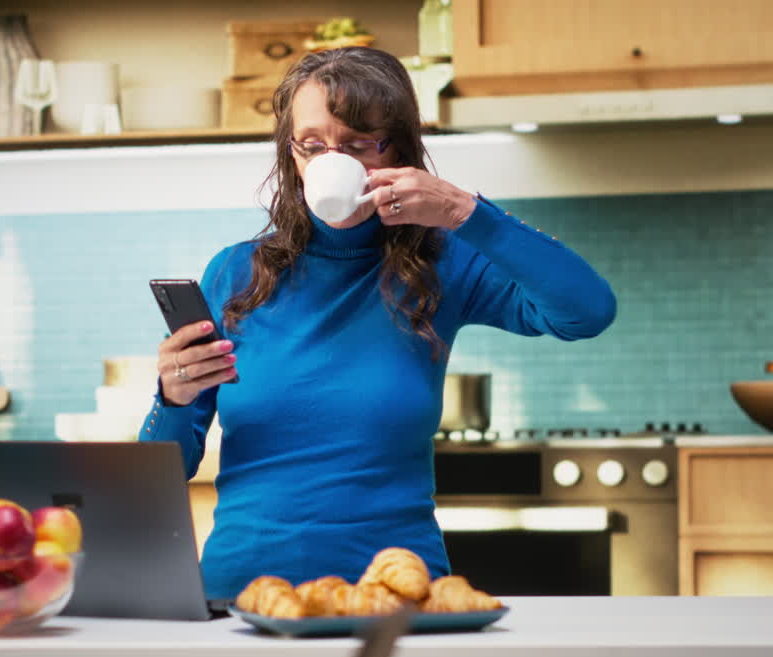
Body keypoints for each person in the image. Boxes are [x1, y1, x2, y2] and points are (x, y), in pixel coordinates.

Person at [140, 47, 617, 601]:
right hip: (246, 600)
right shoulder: (234, 274)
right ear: (289, 152)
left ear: (399, 149)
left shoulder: (442, 264)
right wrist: (172, 397)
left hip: (398, 601)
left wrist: (468, 213)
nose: (330, 161)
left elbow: (587, 311)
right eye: (312, 144)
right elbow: (162, 475)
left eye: (358, 143)